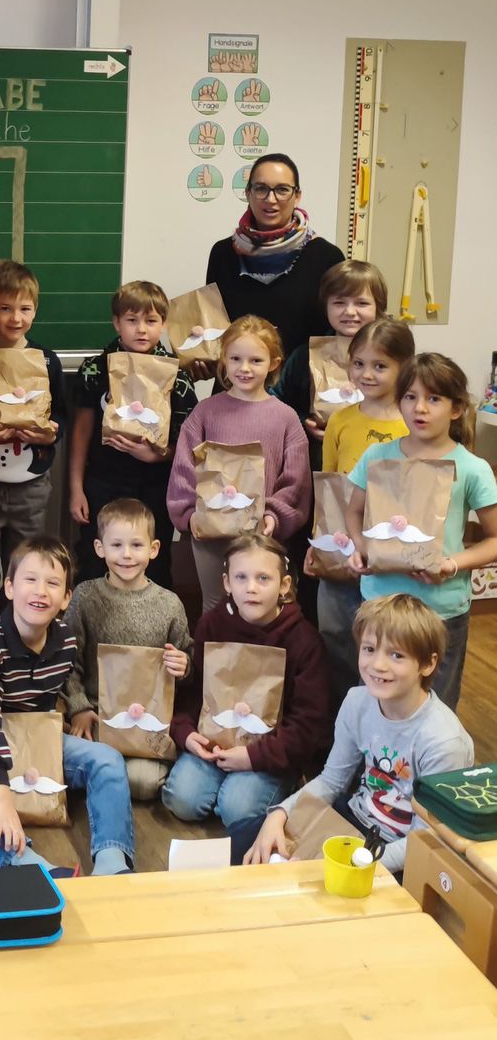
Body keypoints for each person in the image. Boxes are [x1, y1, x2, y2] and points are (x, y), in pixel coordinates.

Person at [0, 536, 135, 874]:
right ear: (10, 588)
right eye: (30, 580)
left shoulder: (66, 639)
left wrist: (79, 708)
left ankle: (112, 862)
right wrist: (1, 798)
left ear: (65, 599)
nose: (41, 591)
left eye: (53, 583)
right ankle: (25, 863)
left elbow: (69, 679)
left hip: (39, 738)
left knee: (108, 759)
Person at [245, 594, 474, 875]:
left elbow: (425, 839)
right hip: (354, 820)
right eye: (369, 649)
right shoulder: (357, 701)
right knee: (247, 841)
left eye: (396, 655)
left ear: (427, 664)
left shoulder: (444, 742)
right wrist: (279, 814)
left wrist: (349, 865)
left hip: (400, 852)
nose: (377, 665)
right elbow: (331, 781)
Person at [345, 352, 497, 710]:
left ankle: (433, 769)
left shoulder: (471, 468)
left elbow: (494, 540)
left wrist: (451, 564)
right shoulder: (377, 456)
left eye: (434, 398)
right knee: (377, 699)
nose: (420, 408)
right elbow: (353, 513)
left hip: (440, 609)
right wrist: (360, 548)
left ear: (456, 409)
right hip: (380, 602)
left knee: (437, 704)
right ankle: (379, 766)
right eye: (410, 397)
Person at [162, 533, 328, 854]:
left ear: (283, 585)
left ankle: (274, 788)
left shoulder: (304, 640)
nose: (251, 587)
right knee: (182, 799)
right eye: (241, 577)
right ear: (226, 583)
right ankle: (223, 787)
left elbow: (308, 726)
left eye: (263, 578)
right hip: (213, 745)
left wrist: (253, 757)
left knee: (237, 809)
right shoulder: (212, 625)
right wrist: (186, 734)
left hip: (269, 755)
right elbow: (193, 694)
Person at [166, 315, 312, 611]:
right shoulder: (205, 412)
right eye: (235, 359)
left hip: (262, 534)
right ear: (223, 360)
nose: (244, 368)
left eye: (256, 360)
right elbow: (184, 467)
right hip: (209, 535)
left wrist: (274, 516)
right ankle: (214, 659)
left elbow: (295, 480)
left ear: (273, 363)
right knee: (215, 606)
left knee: (264, 607)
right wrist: (190, 514)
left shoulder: (285, 418)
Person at [307, 317, 414, 697]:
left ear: (406, 367)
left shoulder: (412, 423)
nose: (366, 374)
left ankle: (381, 719)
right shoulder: (340, 420)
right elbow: (330, 485)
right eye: (358, 364)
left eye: (380, 365)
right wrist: (317, 545)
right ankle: (340, 722)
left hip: (390, 556)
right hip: (340, 547)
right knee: (335, 634)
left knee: (384, 641)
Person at [0, 261, 66, 637]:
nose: (15, 318)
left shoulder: (47, 361)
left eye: (25, 309)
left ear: (35, 310)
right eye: (5, 308)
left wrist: (51, 435)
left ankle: (15, 637)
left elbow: (61, 416)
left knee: (23, 567)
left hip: (30, 485)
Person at [68, 278, 198, 587]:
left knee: (153, 558)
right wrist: (76, 488)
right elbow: (82, 430)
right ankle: (92, 628)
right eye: (132, 320)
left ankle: (154, 631)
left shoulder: (176, 373)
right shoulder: (96, 369)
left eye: (151, 321)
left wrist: (156, 456)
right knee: (95, 556)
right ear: (116, 323)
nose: (141, 329)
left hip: (155, 484)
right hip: (103, 481)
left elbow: (187, 438)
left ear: (163, 324)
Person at [64, 499, 192, 802]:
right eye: (116, 545)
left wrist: (184, 664)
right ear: (99, 548)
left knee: (143, 784)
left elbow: (189, 659)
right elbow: (68, 660)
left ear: (154, 549)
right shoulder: (85, 597)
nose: (126, 555)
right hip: (98, 718)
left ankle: (106, 775)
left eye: (136, 545)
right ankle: (101, 770)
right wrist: (79, 707)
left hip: (148, 723)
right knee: (75, 759)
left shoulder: (169, 604)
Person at [204, 155, 344, 361]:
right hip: (237, 383)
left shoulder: (327, 257)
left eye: (282, 190)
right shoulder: (223, 253)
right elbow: (213, 325)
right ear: (248, 193)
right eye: (261, 189)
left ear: (297, 196)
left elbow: (336, 332)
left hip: (300, 385)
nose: (271, 199)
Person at [270, 260, 388, 460]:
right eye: (339, 302)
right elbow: (274, 402)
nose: (350, 312)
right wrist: (303, 421)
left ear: (379, 306)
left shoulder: (394, 356)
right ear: (326, 307)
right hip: (317, 462)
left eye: (362, 303)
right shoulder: (305, 356)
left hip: (378, 461)